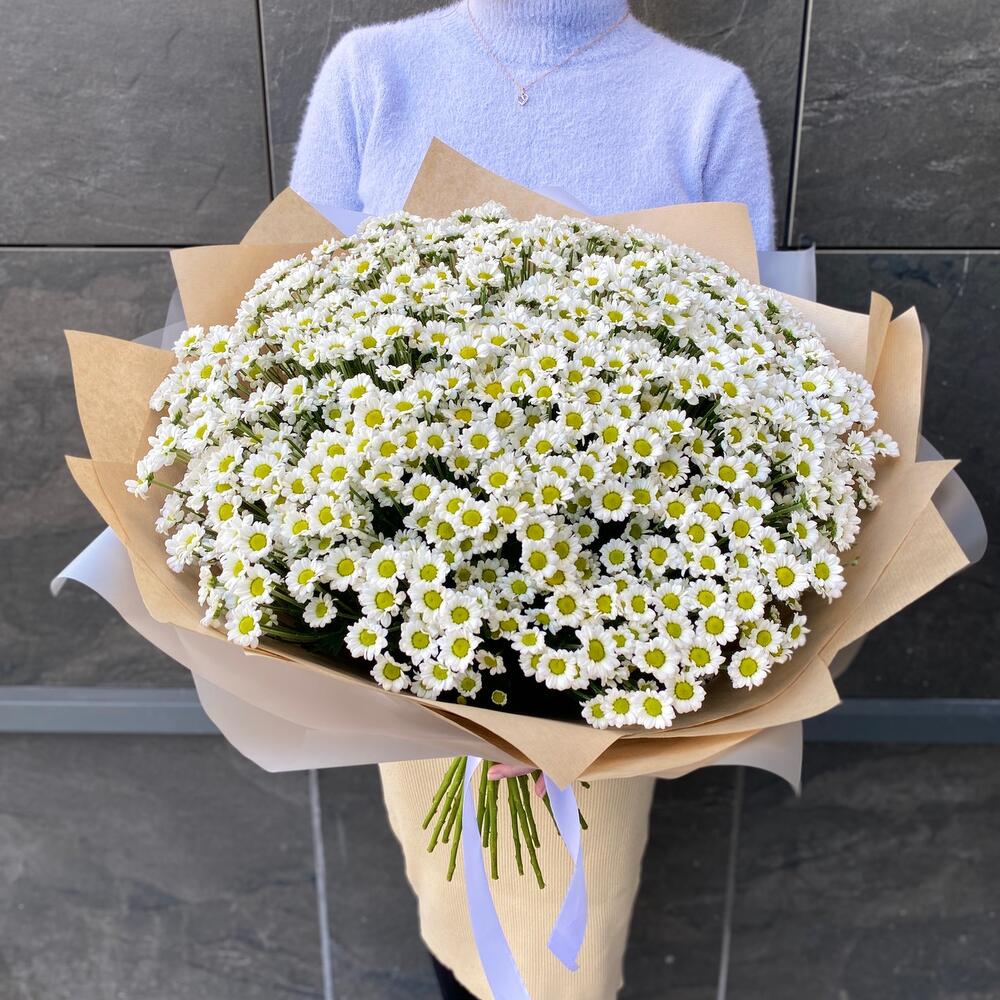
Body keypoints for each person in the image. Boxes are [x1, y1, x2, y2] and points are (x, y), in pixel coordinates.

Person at [290, 3, 774, 996]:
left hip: (620, 678)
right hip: (401, 649)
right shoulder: (374, 74)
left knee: (572, 954)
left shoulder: (703, 103)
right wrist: (428, 662)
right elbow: (287, 342)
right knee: (451, 921)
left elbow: (751, 390)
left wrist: (568, 699)